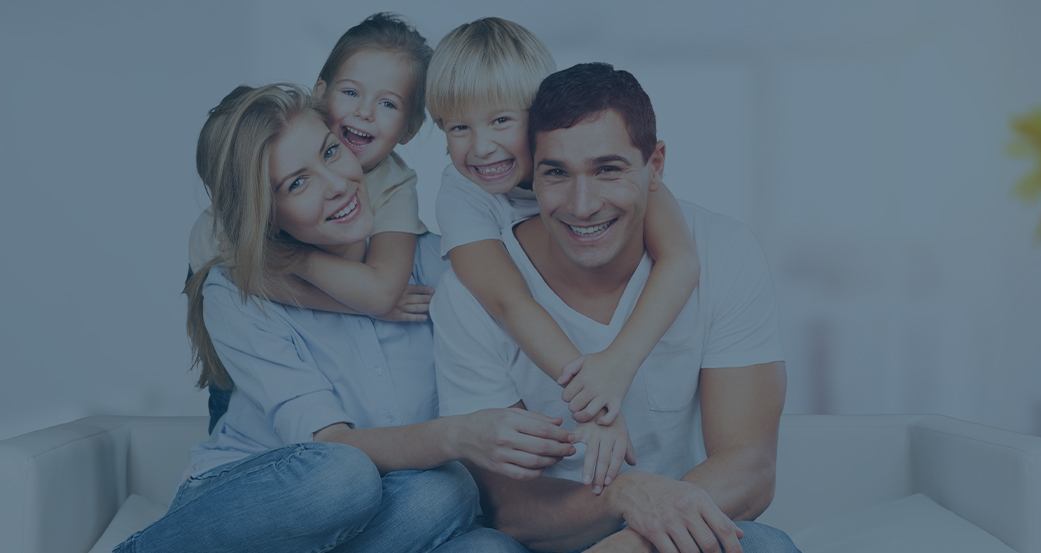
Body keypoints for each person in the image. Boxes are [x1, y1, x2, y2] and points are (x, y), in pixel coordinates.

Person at [119, 84, 573, 553]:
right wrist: (458, 435)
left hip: (380, 515)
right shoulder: (237, 294)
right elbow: (332, 444)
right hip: (250, 505)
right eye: (297, 183)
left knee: (469, 522)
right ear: (267, 215)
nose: (336, 184)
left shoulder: (440, 263)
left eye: (331, 152)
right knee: (343, 475)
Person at [432, 63, 800, 553]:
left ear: (656, 165)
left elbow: (750, 466)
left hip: (666, 533)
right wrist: (625, 495)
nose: (582, 205)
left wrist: (635, 541)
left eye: (608, 170)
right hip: (548, 537)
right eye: (557, 173)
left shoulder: (722, 251)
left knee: (764, 546)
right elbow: (509, 508)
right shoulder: (470, 292)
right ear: (529, 173)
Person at [425, 17, 700, 492]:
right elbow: (509, 300)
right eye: (458, 127)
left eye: (501, 120)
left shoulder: (607, 161)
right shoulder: (461, 194)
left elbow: (681, 260)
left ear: (539, 116)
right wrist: (594, 401)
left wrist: (618, 364)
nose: (481, 146)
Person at [191, 13, 436, 431]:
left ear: (410, 129)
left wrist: (294, 264)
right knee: (240, 410)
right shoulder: (255, 180)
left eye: (388, 103)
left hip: (338, 363)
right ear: (320, 94)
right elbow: (221, 271)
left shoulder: (394, 184)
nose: (364, 112)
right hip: (255, 346)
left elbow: (380, 293)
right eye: (351, 92)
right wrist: (303, 266)